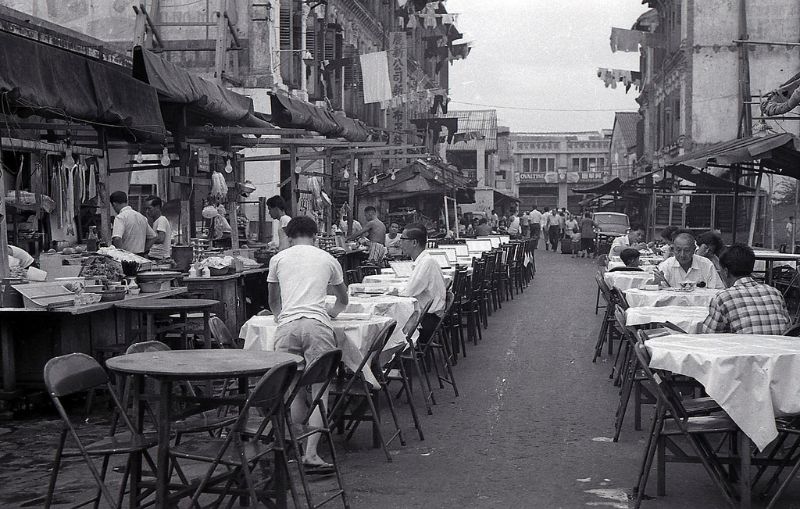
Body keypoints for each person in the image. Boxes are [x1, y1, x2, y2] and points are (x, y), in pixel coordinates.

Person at [267, 216, 349, 473]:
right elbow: (343, 299)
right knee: (320, 389)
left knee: (292, 389)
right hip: (317, 326)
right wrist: (331, 313)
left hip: (288, 327)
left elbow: (273, 300)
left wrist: (282, 317)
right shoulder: (328, 259)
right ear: (315, 235)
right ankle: (311, 453)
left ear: (289, 236)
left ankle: (295, 444)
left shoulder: (278, 259)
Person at [702, 243, 790, 334]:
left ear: (726, 271)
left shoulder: (723, 297)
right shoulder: (775, 293)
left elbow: (709, 335)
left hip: (745, 347)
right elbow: (787, 327)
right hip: (779, 345)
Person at [397, 223, 446, 343]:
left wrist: (393, 292)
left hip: (428, 319)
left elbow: (408, 292)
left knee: (391, 326)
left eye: (403, 239)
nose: (400, 243)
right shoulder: (423, 261)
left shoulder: (426, 263)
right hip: (428, 315)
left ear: (414, 243)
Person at [653, 233, 725, 289]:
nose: (682, 255)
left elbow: (717, 290)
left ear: (694, 250)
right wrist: (657, 283)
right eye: (678, 250)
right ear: (673, 250)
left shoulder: (706, 265)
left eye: (687, 250)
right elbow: (657, 292)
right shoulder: (666, 266)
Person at [110, 191, 156, 255]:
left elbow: (117, 238)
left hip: (127, 258)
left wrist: (122, 255)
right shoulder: (141, 217)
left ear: (114, 204)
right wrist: (143, 250)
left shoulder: (120, 217)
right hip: (140, 257)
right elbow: (153, 237)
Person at [143, 196, 172, 260]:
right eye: (146, 209)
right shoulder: (155, 221)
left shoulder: (162, 220)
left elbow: (161, 238)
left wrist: (145, 241)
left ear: (157, 207)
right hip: (154, 256)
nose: (147, 211)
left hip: (160, 258)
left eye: (149, 208)